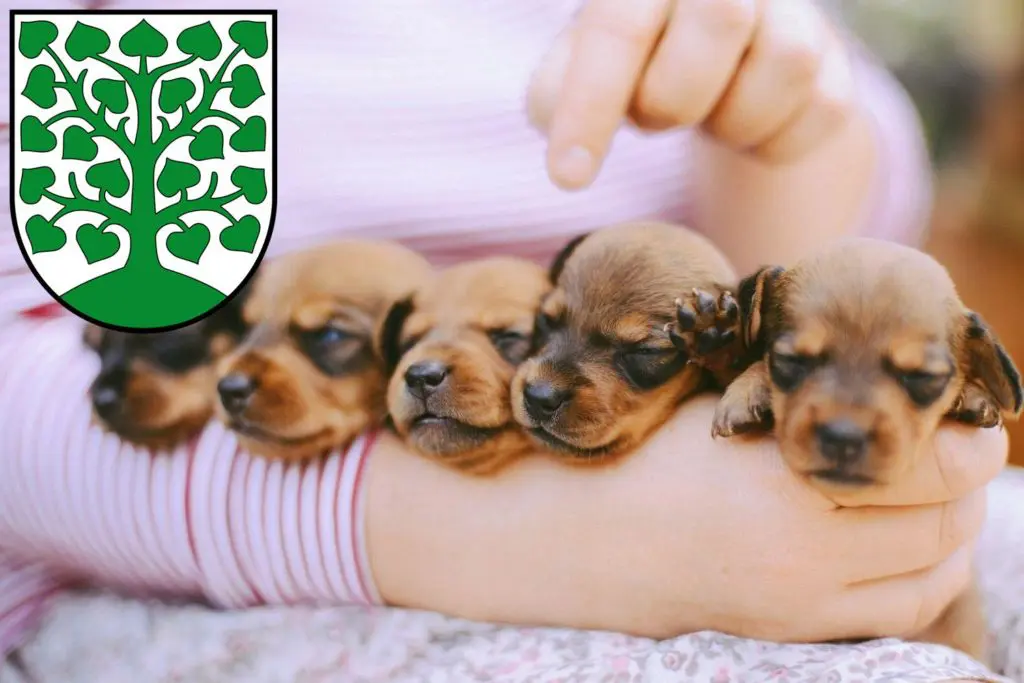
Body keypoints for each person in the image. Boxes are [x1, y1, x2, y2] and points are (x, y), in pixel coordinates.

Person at [0, 1, 1018, 681]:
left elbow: (866, 187)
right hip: (206, 560)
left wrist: (791, 124)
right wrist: (441, 527)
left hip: (738, 477)